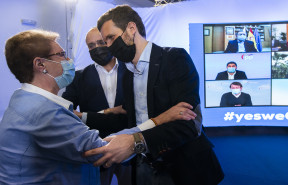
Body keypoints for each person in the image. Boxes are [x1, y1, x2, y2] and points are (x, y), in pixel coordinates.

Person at [0, 29, 197, 184]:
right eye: (61, 55)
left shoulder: (23, 99)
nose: (68, 60)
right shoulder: (43, 113)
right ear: (40, 65)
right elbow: (104, 150)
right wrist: (160, 119)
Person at [84, 5, 224, 185]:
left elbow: (189, 124)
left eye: (110, 38)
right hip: (146, 168)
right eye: (106, 41)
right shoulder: (127, 74)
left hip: (185, 167)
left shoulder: (175, 58)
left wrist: (135, 142)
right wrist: (82, 119)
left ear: (131, 28)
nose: (109, 47)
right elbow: (131, 120)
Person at [62, 27, 129, 185]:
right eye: (91, 46)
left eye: (101, 42)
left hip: (129, 148)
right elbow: (66, 111)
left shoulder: (132, 71)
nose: (96, 48)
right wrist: (110, 111)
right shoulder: (78, 77)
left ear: (110, 42)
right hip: (96, 150)